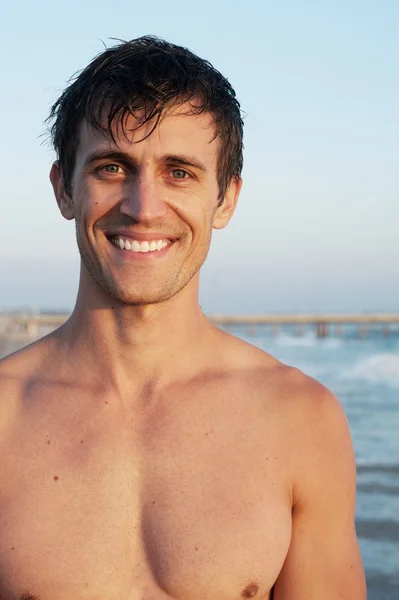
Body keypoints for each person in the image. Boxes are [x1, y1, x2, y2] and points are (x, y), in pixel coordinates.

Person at [0, 36, 366, 600]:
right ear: (63, 189)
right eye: (113, 166)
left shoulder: (302, 422)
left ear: (226, 200)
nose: (144, 207)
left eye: (179, 173)